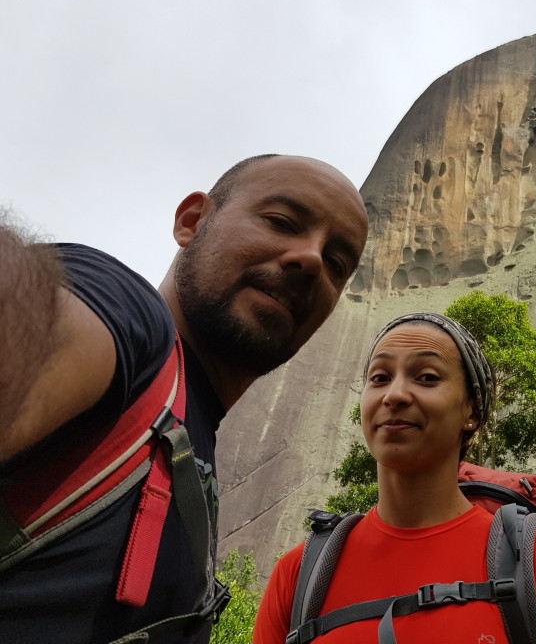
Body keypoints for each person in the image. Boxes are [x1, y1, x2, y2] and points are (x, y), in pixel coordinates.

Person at [0, 154, 369, 644]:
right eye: (281, 222)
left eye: (336, 264)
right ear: (192, 221)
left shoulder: (195, 447)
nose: (312, 260)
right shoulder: (124, 314)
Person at [253, 312, 536, 643]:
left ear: (471, 411)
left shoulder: (534, 563)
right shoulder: (298, 576)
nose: (394, 395)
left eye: (427, 377)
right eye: (380, 377)